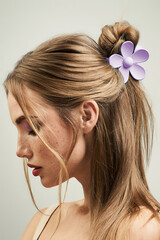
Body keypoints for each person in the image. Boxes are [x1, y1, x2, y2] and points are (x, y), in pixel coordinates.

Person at [4, 21, 160, 240]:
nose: (20, 150)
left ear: (86, 115)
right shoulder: (42, 222)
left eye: (32, 128)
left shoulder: (142, 231)